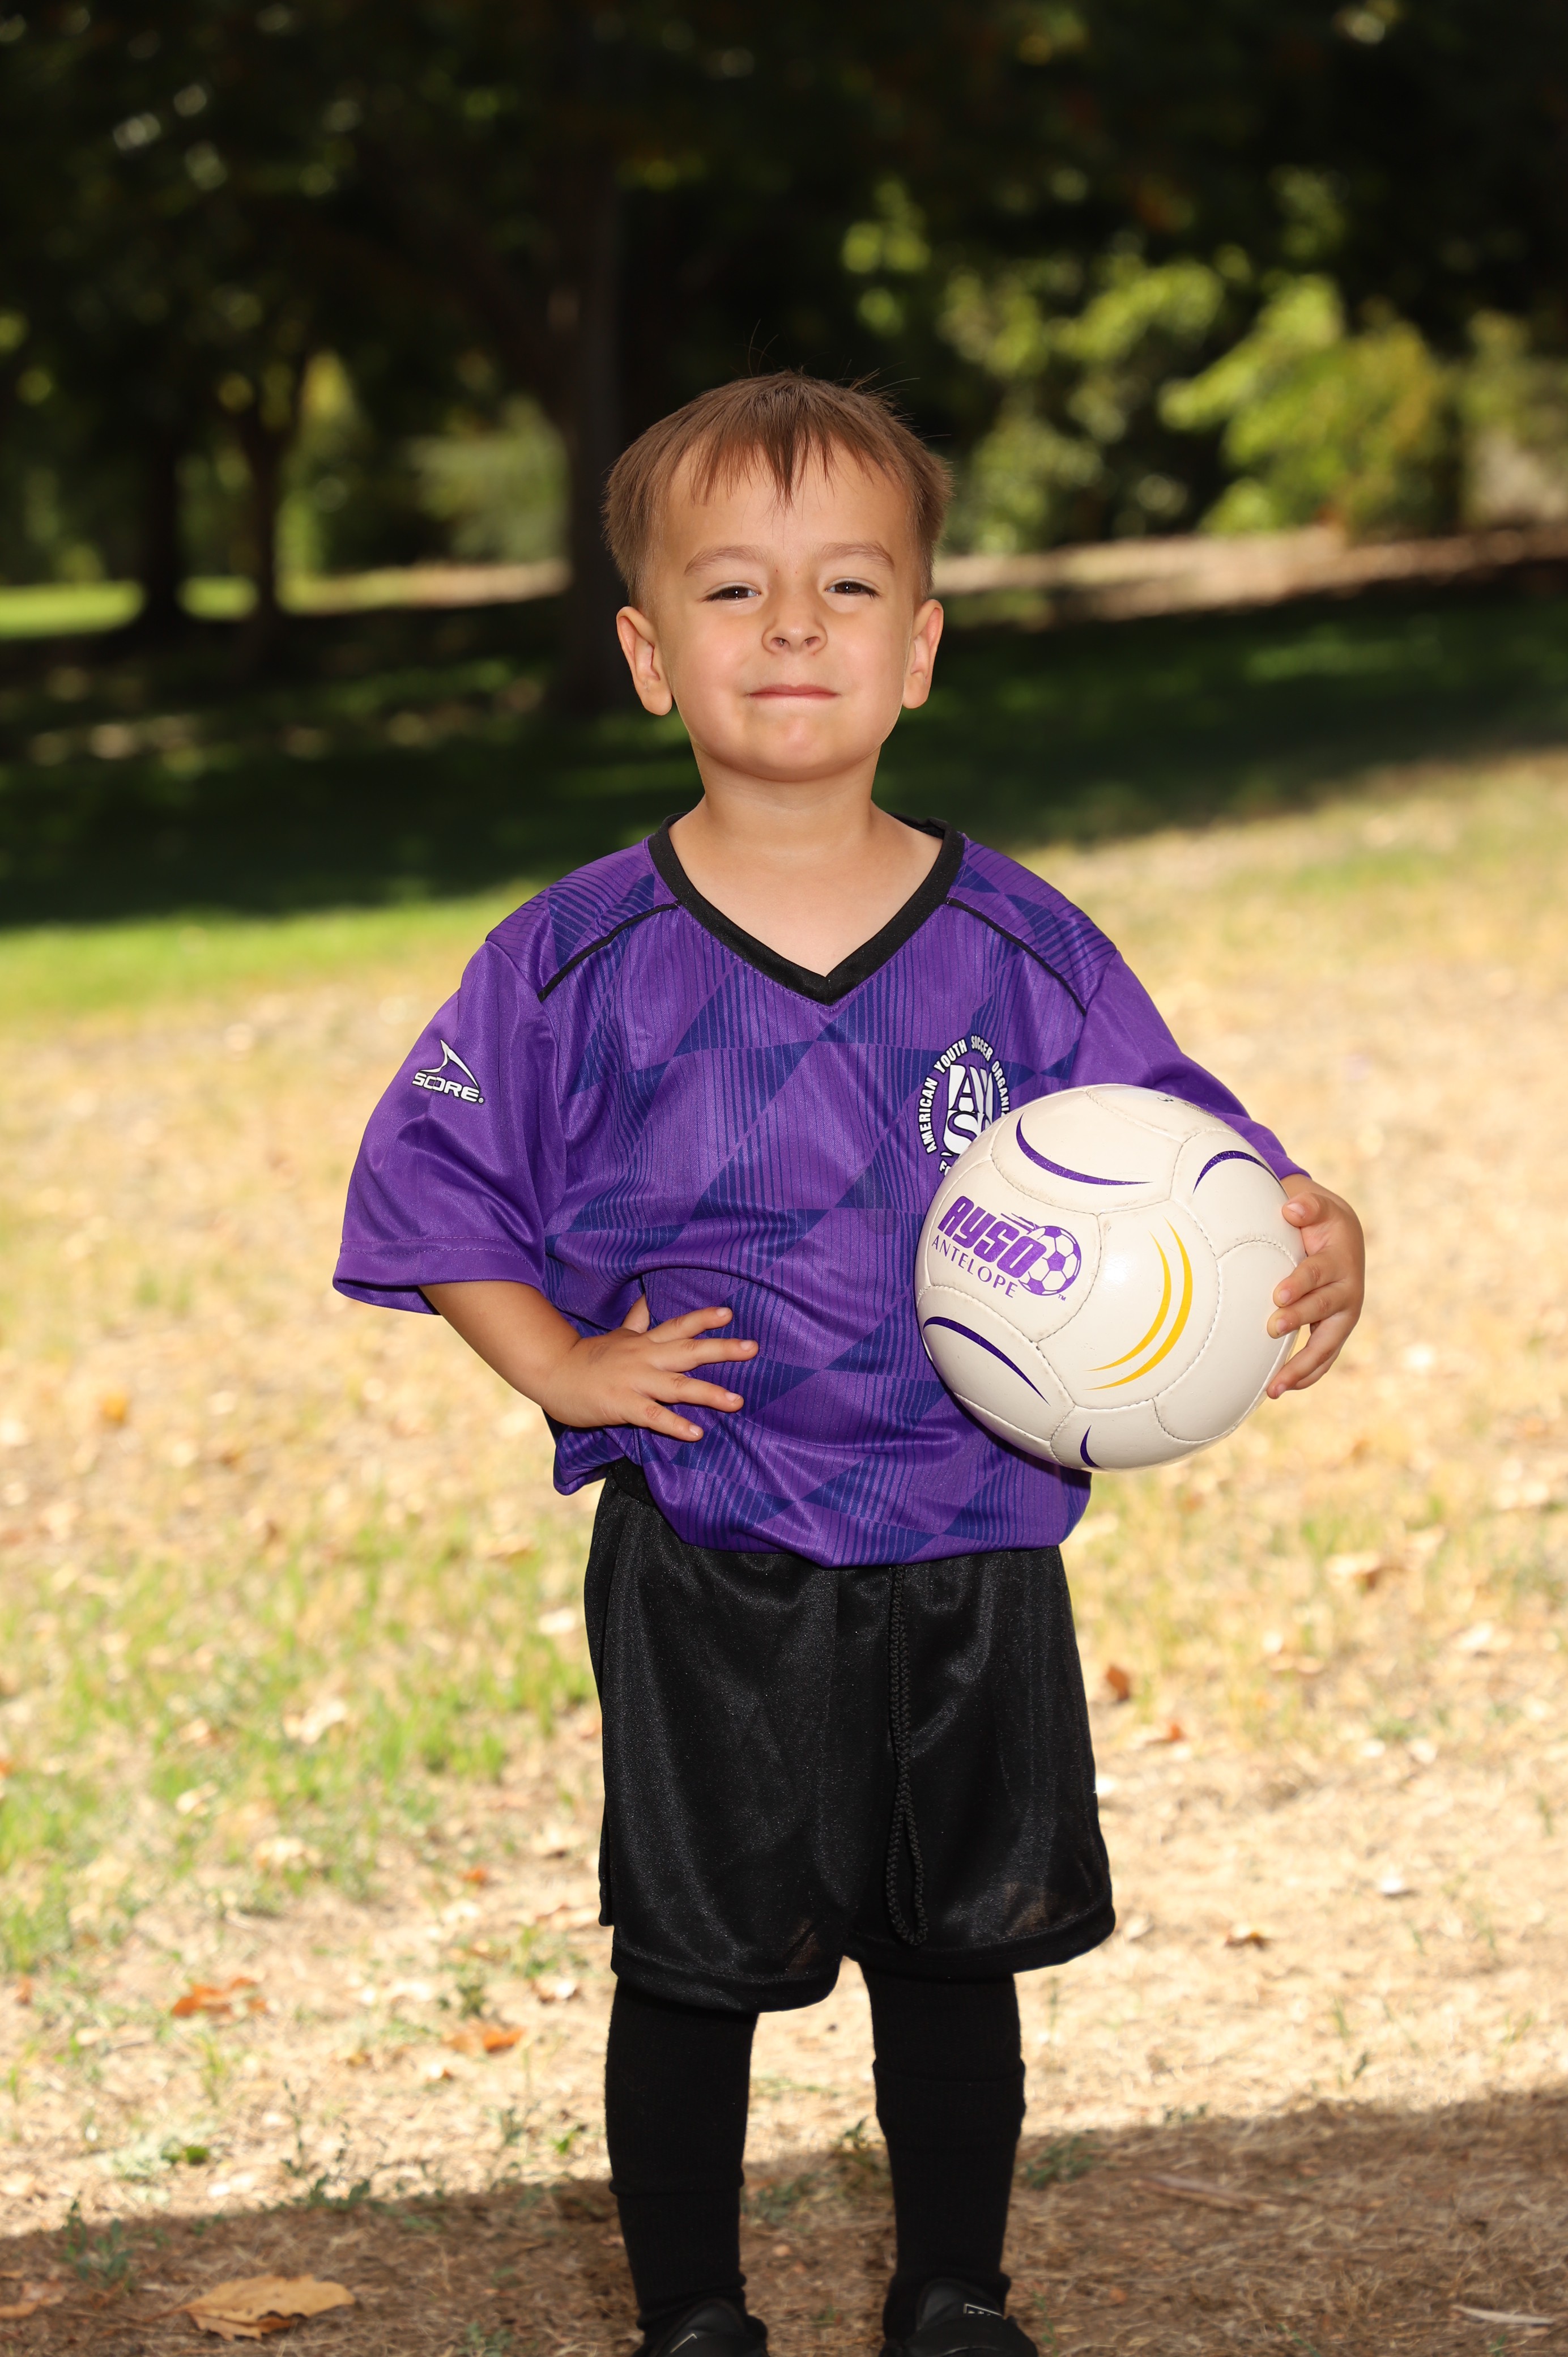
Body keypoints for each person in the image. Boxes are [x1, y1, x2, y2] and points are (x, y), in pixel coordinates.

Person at [334, 373, 1365, 2357]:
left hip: (969, 1535)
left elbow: (1196, 1159)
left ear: (921, 647)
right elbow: (433, 1175)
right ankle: (696, 2317)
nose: (792, 625)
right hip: (714, 1550)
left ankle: (953, 2294)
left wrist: (1323, 1227)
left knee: (958, 1952)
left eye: (848, 586)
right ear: (650, 654)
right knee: (692, 1960)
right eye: (733, 588)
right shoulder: (571, 958)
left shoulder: (1025, 948)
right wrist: (562, 1366)